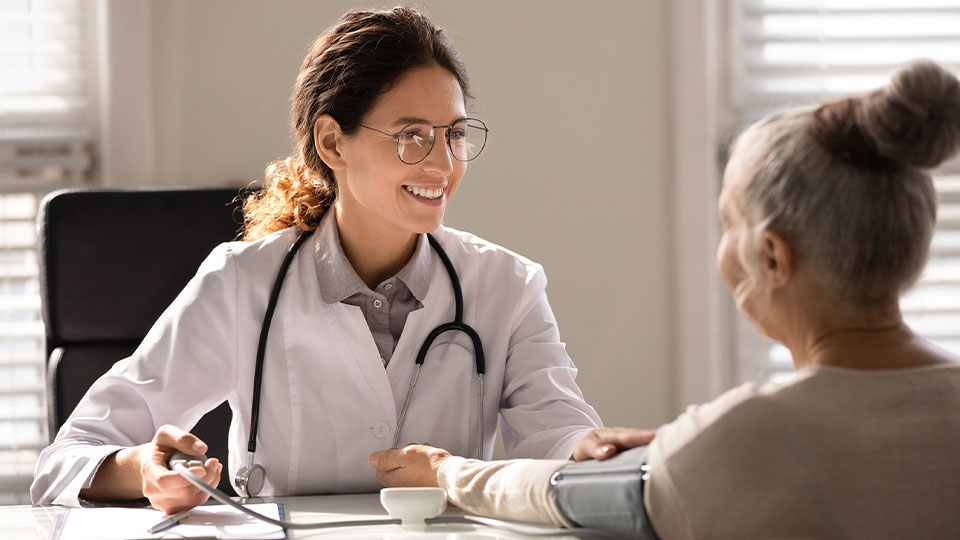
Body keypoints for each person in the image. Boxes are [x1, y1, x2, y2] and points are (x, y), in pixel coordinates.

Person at [31, 6, 601, 513]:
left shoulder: (507, 285)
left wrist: (595, 452)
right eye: (411, 134)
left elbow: (559, 434)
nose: (442, 163)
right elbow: (68, 457)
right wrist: (146, 472)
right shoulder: (242, 282)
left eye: (453, 135)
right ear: (332, 144)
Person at [368, 59, 960, 539]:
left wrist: (444, 470)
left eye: (729, 225)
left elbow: (558, 498)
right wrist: (683, 454)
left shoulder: (751, 438)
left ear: (774, 258)